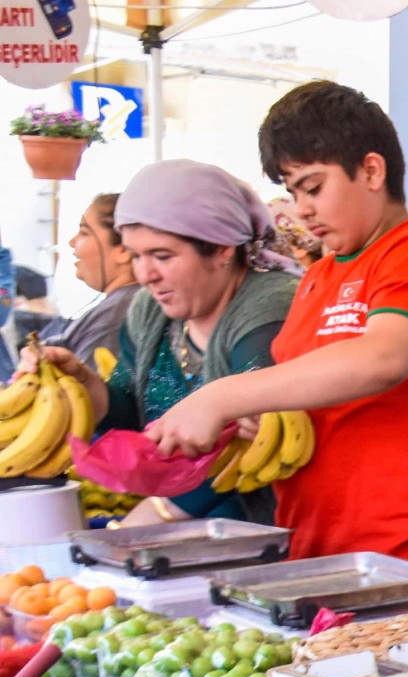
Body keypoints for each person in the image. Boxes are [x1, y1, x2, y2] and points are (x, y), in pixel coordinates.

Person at [143, 81, 408, 595]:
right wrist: (259, 422)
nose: (301, 209)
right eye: (293, 190)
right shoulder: (318, 280)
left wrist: (223, 395)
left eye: (313, 186)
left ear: (372, 170)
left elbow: (383, 358)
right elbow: (317, 404)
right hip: (314, 554)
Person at [22, 161, 298, 525]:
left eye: (162, 256)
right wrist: (84, 385)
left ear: (221, 249)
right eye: (136, 256)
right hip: (192, 529)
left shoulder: (269, 309)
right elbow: (133, 411)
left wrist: (146, 520)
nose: (146, 275)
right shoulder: (150, 312)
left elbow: (238, 441)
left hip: (265, 530)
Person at [49, 194, 141, 375]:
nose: (72, 241)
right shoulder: (122, 304)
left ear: (124, 249)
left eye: (84, 232)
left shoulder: (116, 317)